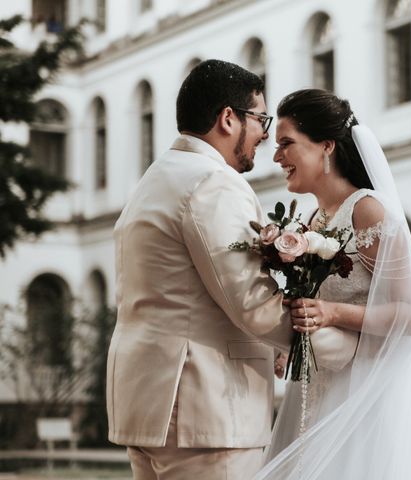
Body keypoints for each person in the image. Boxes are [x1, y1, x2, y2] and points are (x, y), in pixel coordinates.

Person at [106, 61, 354, 480]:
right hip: (205, 410)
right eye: (260, 120)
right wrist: (349, 350)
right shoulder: (211, 183)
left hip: (150, 404)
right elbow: (252, 303)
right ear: (227, 118)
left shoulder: (155, 179)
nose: (264, 136)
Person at [256, 89, 411, 479]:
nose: (276, 158)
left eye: (286, 144)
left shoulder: (366, 210)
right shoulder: (314, 218)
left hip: (361, 399)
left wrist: (330, 313)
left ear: (326, 146)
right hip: (315, 391)